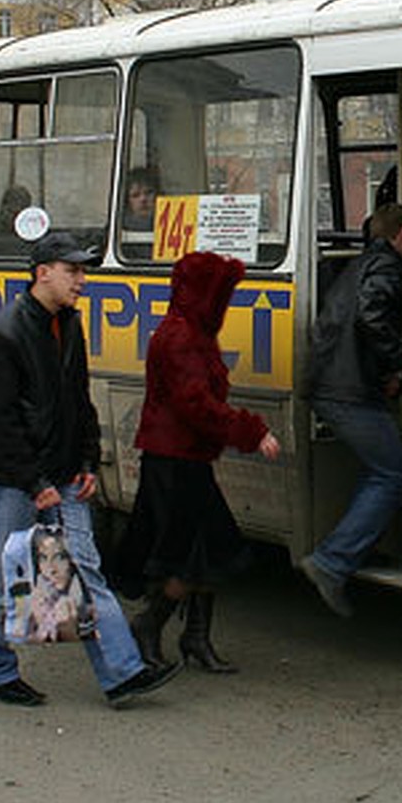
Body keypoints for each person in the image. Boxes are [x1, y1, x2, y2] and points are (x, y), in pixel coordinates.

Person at [0, 230, 180, 707]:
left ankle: (122, 672)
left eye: (83, 271)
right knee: (3, 579)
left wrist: (87, 461)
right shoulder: (2, 335)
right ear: (42, 272)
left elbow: (78, 402)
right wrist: (34, 483)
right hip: (18, 482)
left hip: (65, 473)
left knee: (84, 570)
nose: (82, 280)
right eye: (73, 271)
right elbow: (1, 424)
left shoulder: (68, 325)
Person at [115, 251, 280, 673]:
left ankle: (195, 638)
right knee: (192, 555)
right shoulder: (183, 337)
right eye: (221, 294)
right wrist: (251, 431)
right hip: (174, 462)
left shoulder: (189, 331)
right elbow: (197, 405)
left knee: (209, 551)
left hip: (182, 459)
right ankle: (150, 627)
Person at [300, 203, 402, 618]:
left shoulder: (363, 261)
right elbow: (371, 315)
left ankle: (362, 547)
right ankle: (332, 561)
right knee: (391, 472)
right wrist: (400, 358)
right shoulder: (389, 264)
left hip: (333, 381)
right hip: (344, 389)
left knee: (377, 467)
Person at [25, 527, 95, 643]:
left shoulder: (86, 598)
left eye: (59, 558)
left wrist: (69, 631)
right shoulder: (39, 585)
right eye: (43, 558)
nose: (51, 569)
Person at [123, 166, 159, 232]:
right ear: (127, 201)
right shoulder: (117, 228)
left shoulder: (171, 224)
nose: (143, 199)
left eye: (148, 193)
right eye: (135, 195)